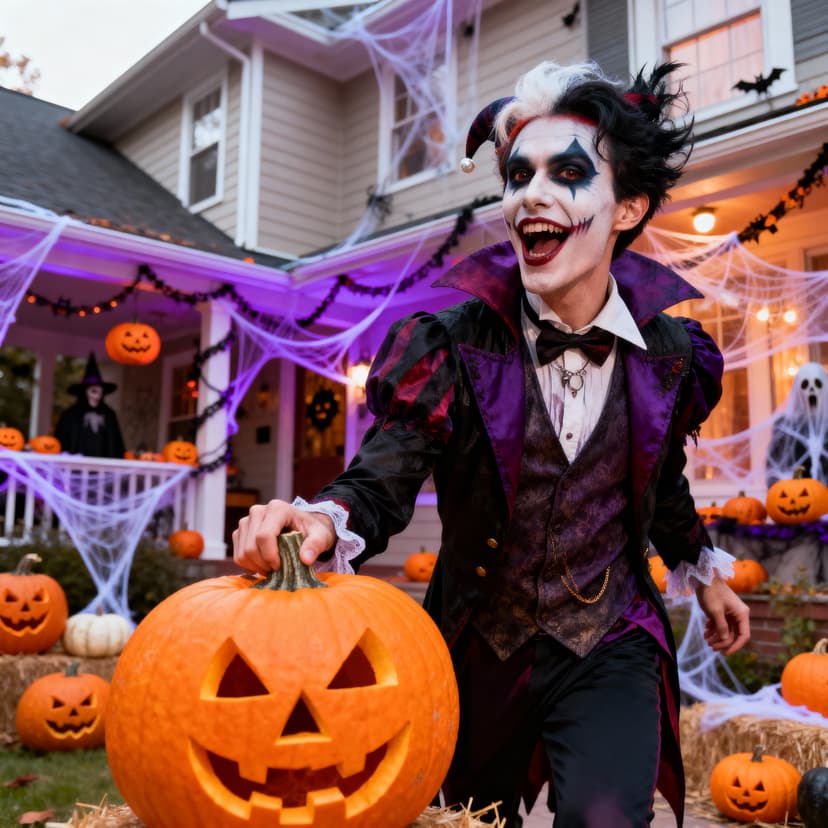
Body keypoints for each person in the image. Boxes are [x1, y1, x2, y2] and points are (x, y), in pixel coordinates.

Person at [234, 60, 750, 827]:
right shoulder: (448, 345)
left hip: (612, 639)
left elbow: (659, 481)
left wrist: (703, 570)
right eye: (516, 177)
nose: (529, 195)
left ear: (627, 208)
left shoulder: (671, 355)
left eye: (567, 173)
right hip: (479, 642)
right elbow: (384, 478)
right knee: (472, 819)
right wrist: (320, 519)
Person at [55, 352, 126, 458]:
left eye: (100, 393)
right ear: (85, 392)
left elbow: (116, 443)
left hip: (103, 467)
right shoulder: (70, 415)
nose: (97, 396)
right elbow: (60, 442)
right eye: (94, 391)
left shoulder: (109, 415)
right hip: (76, 466)